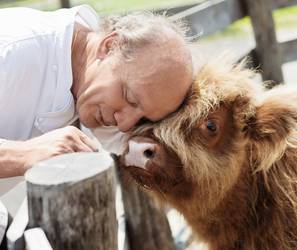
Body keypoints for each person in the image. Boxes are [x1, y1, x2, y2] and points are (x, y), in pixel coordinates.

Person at [0, 5, 193, 195]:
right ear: (110, 46)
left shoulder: (90, 75)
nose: (124, 125)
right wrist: (23, 154)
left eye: (143, 119)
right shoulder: (12, 50)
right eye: (130, 98)